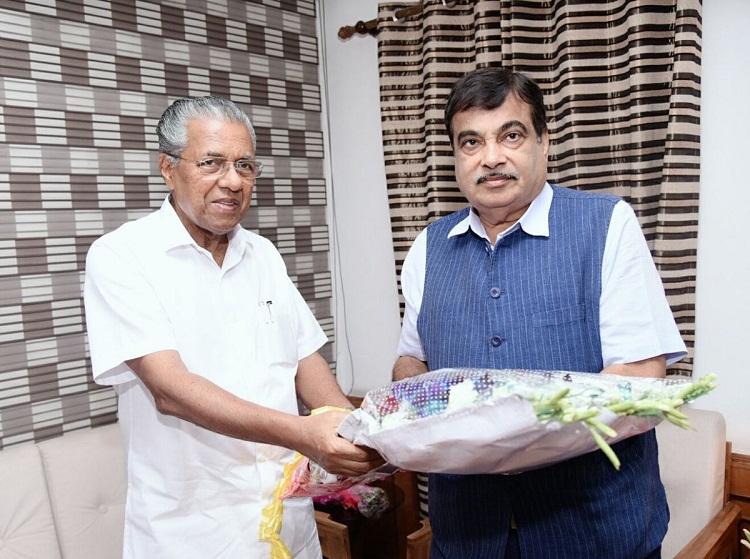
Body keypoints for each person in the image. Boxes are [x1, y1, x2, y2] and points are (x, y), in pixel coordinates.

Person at [393, 67, 687, 559]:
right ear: (455, 157)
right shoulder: (427, 248)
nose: (491, 158)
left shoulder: (608, 224)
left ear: (544, 142)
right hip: (467, 537)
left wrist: (508, 436)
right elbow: (411, 362)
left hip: (596, 536)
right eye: (470, 143)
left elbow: (640, 377)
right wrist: (410, 404)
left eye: (511, 135)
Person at [84, 96, 381, 558]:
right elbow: (170, 389)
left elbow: (304, 360)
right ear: (168, 167)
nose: (232, 181)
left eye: (245, 166)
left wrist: (355, 428)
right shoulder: (121, 256)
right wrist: (304, 434)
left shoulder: (262, 253)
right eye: (212, 163)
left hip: (287, 523)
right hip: (194, 531)